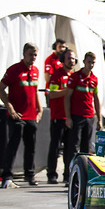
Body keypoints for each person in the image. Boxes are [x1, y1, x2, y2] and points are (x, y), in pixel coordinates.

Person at [0, 43, 43, 187]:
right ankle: (7, 178)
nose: (33, 57)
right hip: (17, 116)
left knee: (31, 147)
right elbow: (1, 88)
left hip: (31, 116)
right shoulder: (14, 70)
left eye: (35, 55)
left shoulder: (36, 70)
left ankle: (29, 176)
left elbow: (35, 90)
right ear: (24, 54)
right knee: (12, 146)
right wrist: (10, 108)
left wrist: (40, 109)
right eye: (31, 54)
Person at [64, 52, 102, 174]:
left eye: (93, 62)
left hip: (89, 116)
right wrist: (68, 117)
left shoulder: (94, 79)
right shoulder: (75, 77)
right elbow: (67, 97)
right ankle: (69, 173)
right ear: (84, 61)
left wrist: (99, 119)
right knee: (73, 146)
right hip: (76, 116)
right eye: (89, 62)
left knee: (86, 148)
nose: (91, 65)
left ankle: (83, 173)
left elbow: (96, 99)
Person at [46, 48, 76, 184]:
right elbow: (52, 94)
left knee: (70, 149)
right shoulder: (57, 74)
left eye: (73, 59)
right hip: (58, 117)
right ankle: (51, 174)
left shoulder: (75, 76)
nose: (71, 61)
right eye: (69, 58)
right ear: (63, 59)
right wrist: (67, 91)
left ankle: (67, 174)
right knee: (55, 147)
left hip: (71, 117)